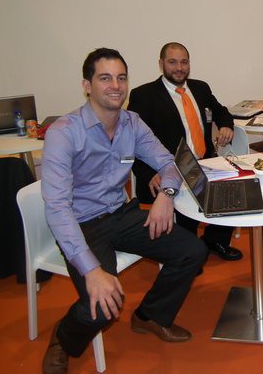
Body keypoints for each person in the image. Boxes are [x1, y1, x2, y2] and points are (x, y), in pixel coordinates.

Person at [41, 48, 208, 374]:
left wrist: (166, 196)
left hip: (121, 213)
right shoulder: (64, 132)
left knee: (193, 250)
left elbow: (169, 163)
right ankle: (63, 338)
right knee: (105, 304)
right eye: (105, 78)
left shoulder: (132, 123)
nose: (115, 86)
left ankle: (149, 316)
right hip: (82, 225)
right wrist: (92, 271)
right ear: (87, 86)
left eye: (121, 78)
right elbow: (58, 208)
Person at [128, 42, 242, 261]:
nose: (179, 68)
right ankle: (188, 255)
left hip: (205, 161)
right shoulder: (144, 95)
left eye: (184, 62)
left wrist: (226, 125)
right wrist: (147, 173)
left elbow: (221, 111)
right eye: (172, 62)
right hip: (169, 168)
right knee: (187, 201)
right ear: (161, 64)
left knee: (235, 191)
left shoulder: (200, 88)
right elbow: (131, 141)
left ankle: (214, 240)